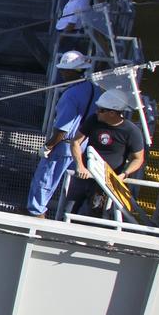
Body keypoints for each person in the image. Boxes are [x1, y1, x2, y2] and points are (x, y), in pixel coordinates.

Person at [26, 51, 97, 217]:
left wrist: (49, 146)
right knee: (70, 182)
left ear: (73, 71)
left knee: (46, 178)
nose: (62, 73)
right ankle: (66, 213)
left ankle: (36, 213)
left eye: (65, 70)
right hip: (83, 143)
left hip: (64, 145)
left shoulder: (71, 95)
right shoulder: (93, 89)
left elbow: (62, 128)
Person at [65, 89, 147, 217]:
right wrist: (80, 166)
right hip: (84, 176)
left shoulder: (131, 131)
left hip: (105, 182)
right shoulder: (93, 120)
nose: (97, 111)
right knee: (68, 210)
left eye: (101, 110)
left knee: (94, 215)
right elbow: (75, 142)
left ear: (112, 113)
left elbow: (138, 158)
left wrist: (123, 175)